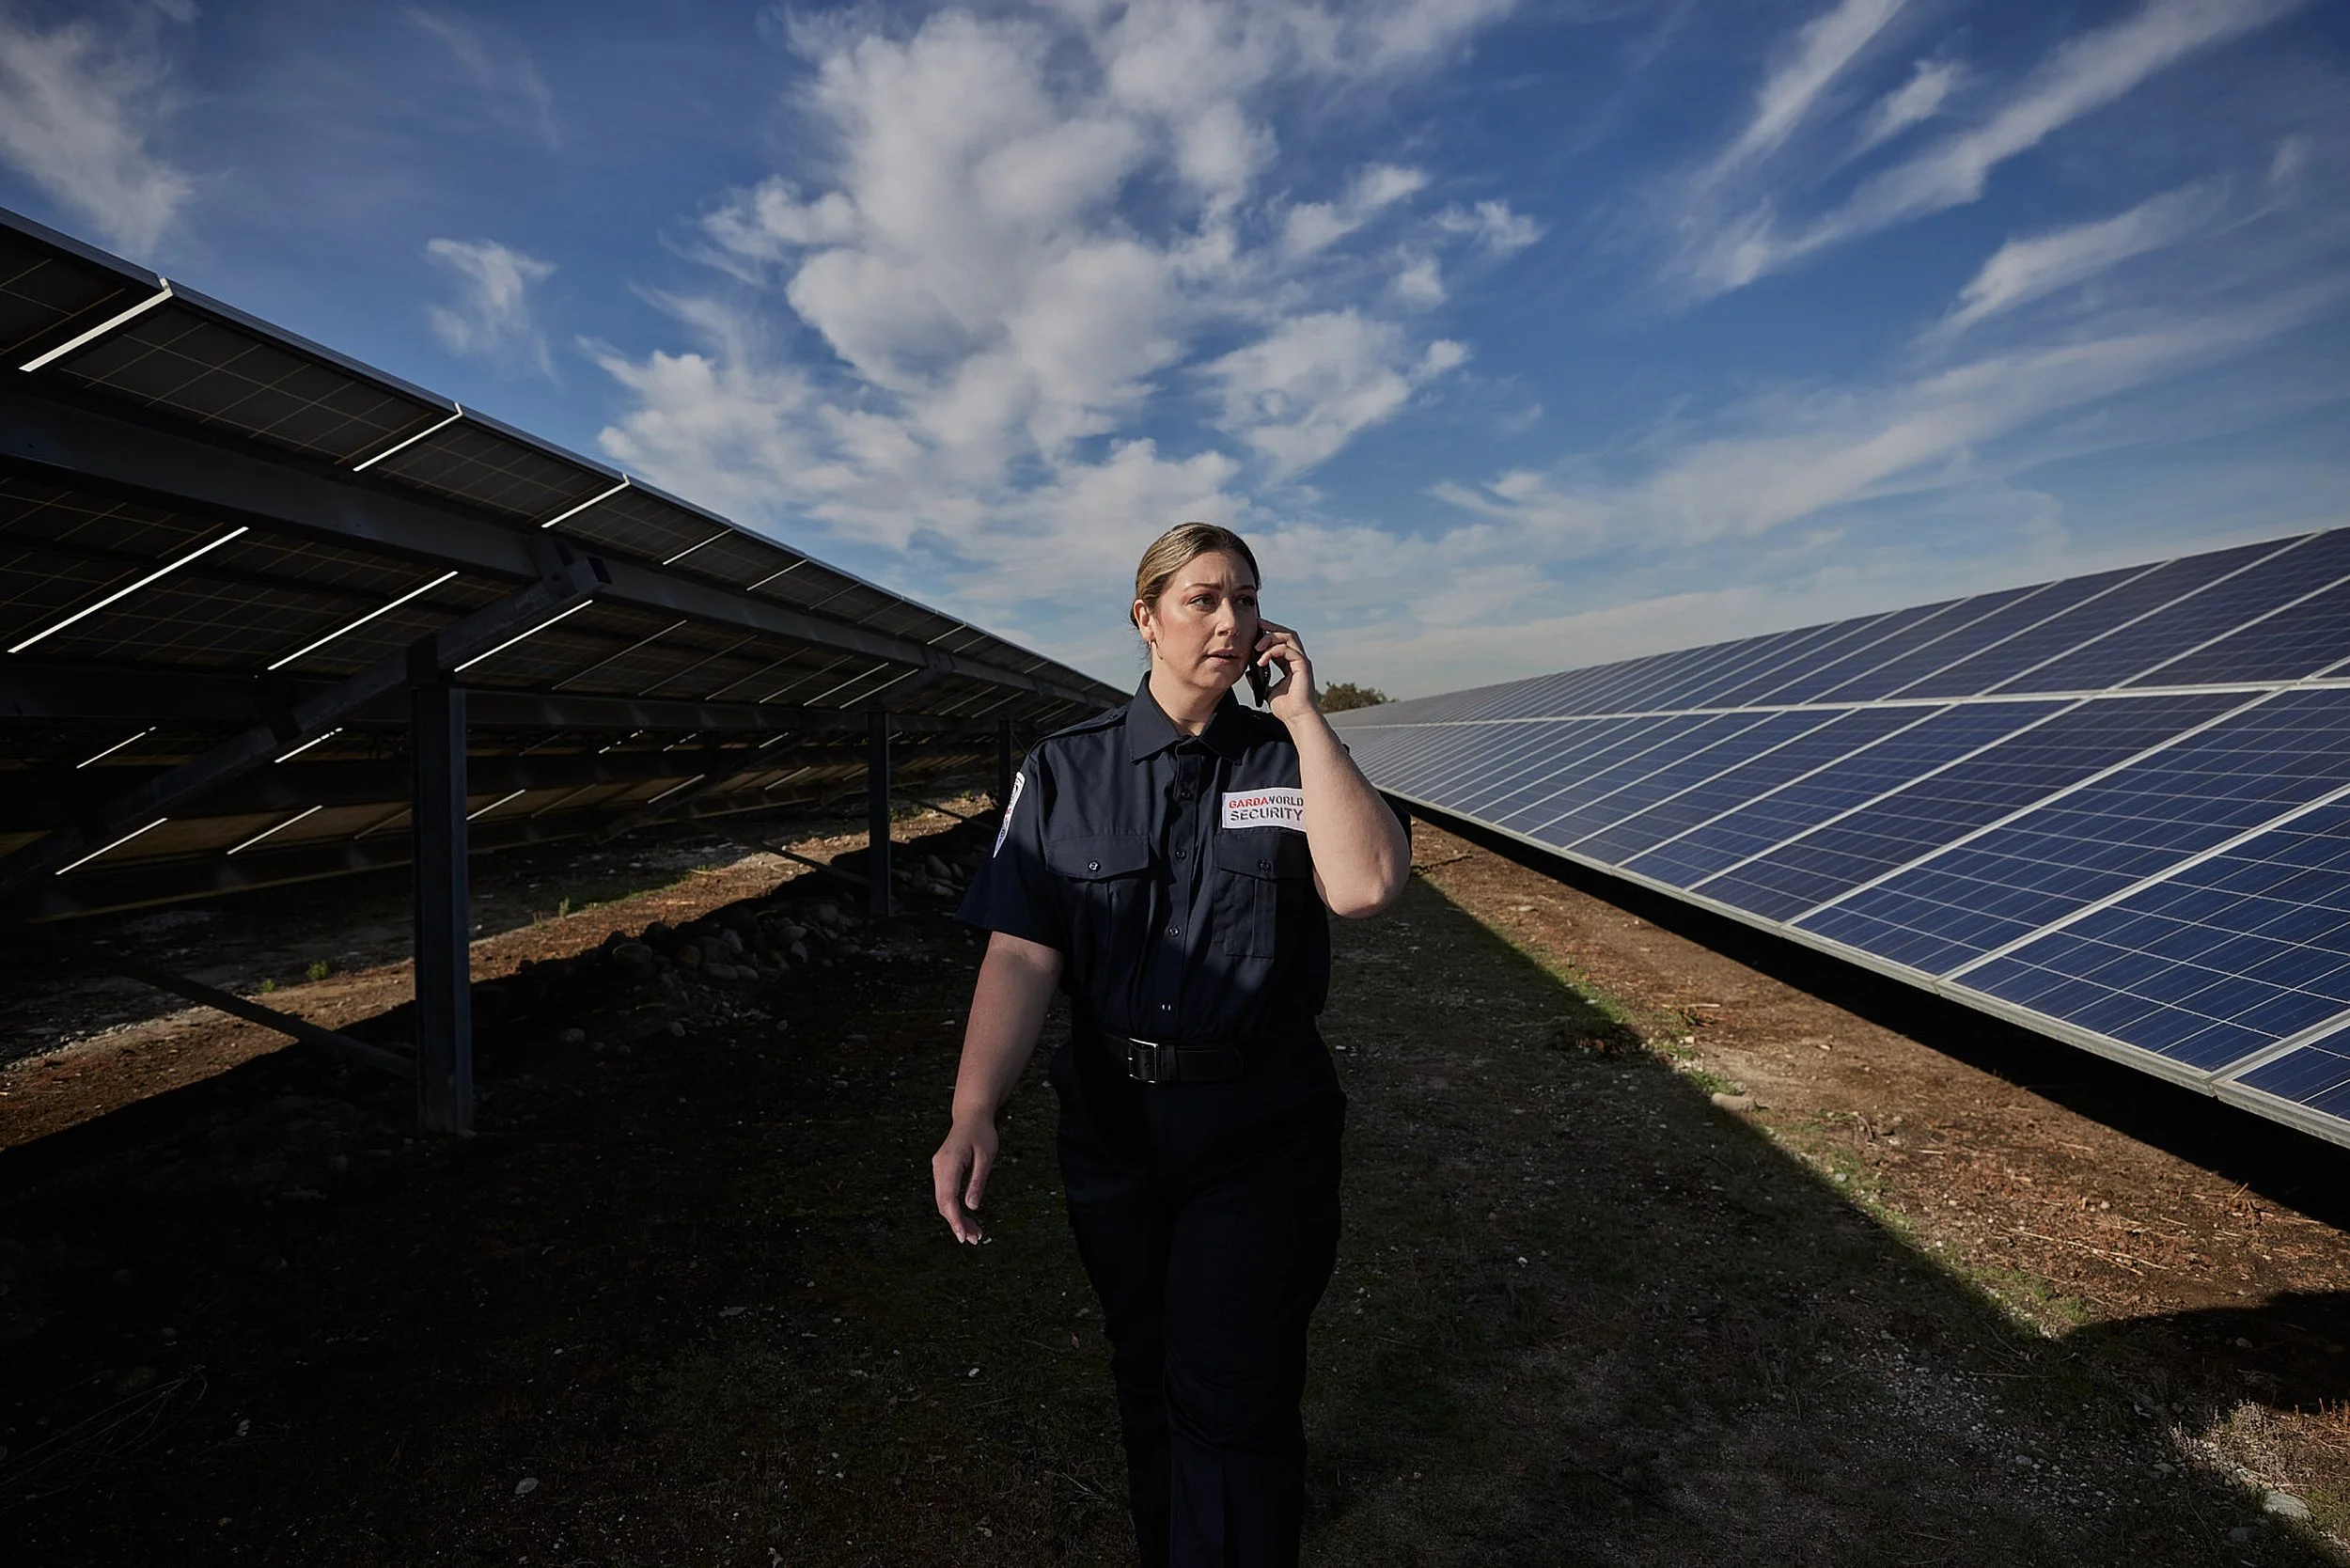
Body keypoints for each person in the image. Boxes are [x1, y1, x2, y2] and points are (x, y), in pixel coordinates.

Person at [930, 522, 1412, 1567]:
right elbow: (1021, 953)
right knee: (1145, 1363)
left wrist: (1307, 718)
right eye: (1202, 598)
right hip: (1114, 1126)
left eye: (1245, 598)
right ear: (1144, 619)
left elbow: (1368, 886)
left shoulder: (1293, 757)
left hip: (1259, 1127)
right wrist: (975, 1110)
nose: (1230, 621)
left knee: (1230, 1386)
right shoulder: (1067, 771)